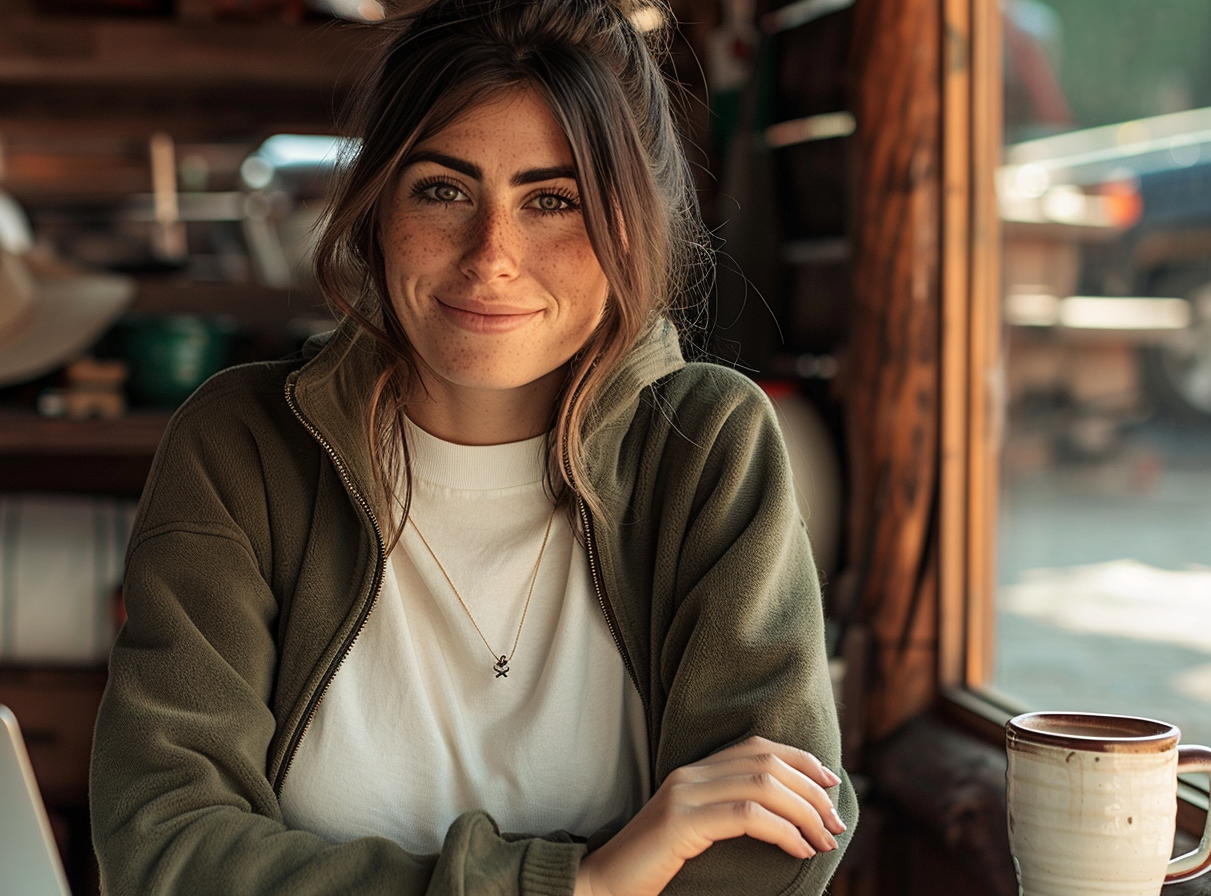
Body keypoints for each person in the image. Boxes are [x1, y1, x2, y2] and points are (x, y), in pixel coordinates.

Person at [89, 1, 858, 894]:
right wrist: (587, 883)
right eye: (444, 189)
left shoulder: (705, 446)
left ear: (631, 225)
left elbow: (777, 847)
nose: (492, 254)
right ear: (378, 208)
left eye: (553, 201)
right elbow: (162, 847)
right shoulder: (242, 448)